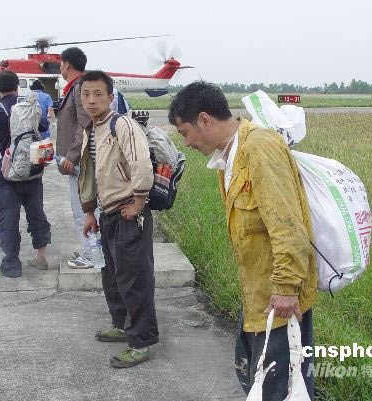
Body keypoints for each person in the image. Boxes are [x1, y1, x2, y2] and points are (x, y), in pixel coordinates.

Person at [168, 82, 318, 400]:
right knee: (256, 380)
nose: (187, 142)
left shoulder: (259, 147)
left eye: (184, 133)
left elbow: (288, 224)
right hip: (258, 296)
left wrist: (286, 288)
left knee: (279, 389)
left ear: (204, 120)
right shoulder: (230, 158)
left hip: (279, 299)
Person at [79, 70, 158, 368]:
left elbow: (141, 163)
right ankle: (123, 325)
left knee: (134, 279)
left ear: (111, 97)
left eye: (98, 94)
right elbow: (90, 173)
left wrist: (139, 202)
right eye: (86, 94)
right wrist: (90, 212)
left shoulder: (121, 124)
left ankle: (141, 342)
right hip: (108, 212)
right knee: (112, 276)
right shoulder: (91, 129)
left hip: (128, 212)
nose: (91, 100)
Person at [0, 70, 51, 278]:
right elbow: (44, 126)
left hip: (5, 176)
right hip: (32, 170)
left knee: (8, 219)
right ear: (17, 87)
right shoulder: (28, 107)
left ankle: (12, 264)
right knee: (37, 214)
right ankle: (41, 257)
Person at [55, 47, 96, 269]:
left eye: (61, 64)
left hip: (80, 161)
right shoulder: (76, 87)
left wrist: (72, 155)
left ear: (67, 64)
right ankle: (89, 248)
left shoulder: (79, 87)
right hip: (79, 159)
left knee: (82, 210)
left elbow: (85, 123)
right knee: (85, 208)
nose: (60, 68)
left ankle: (91, 254)